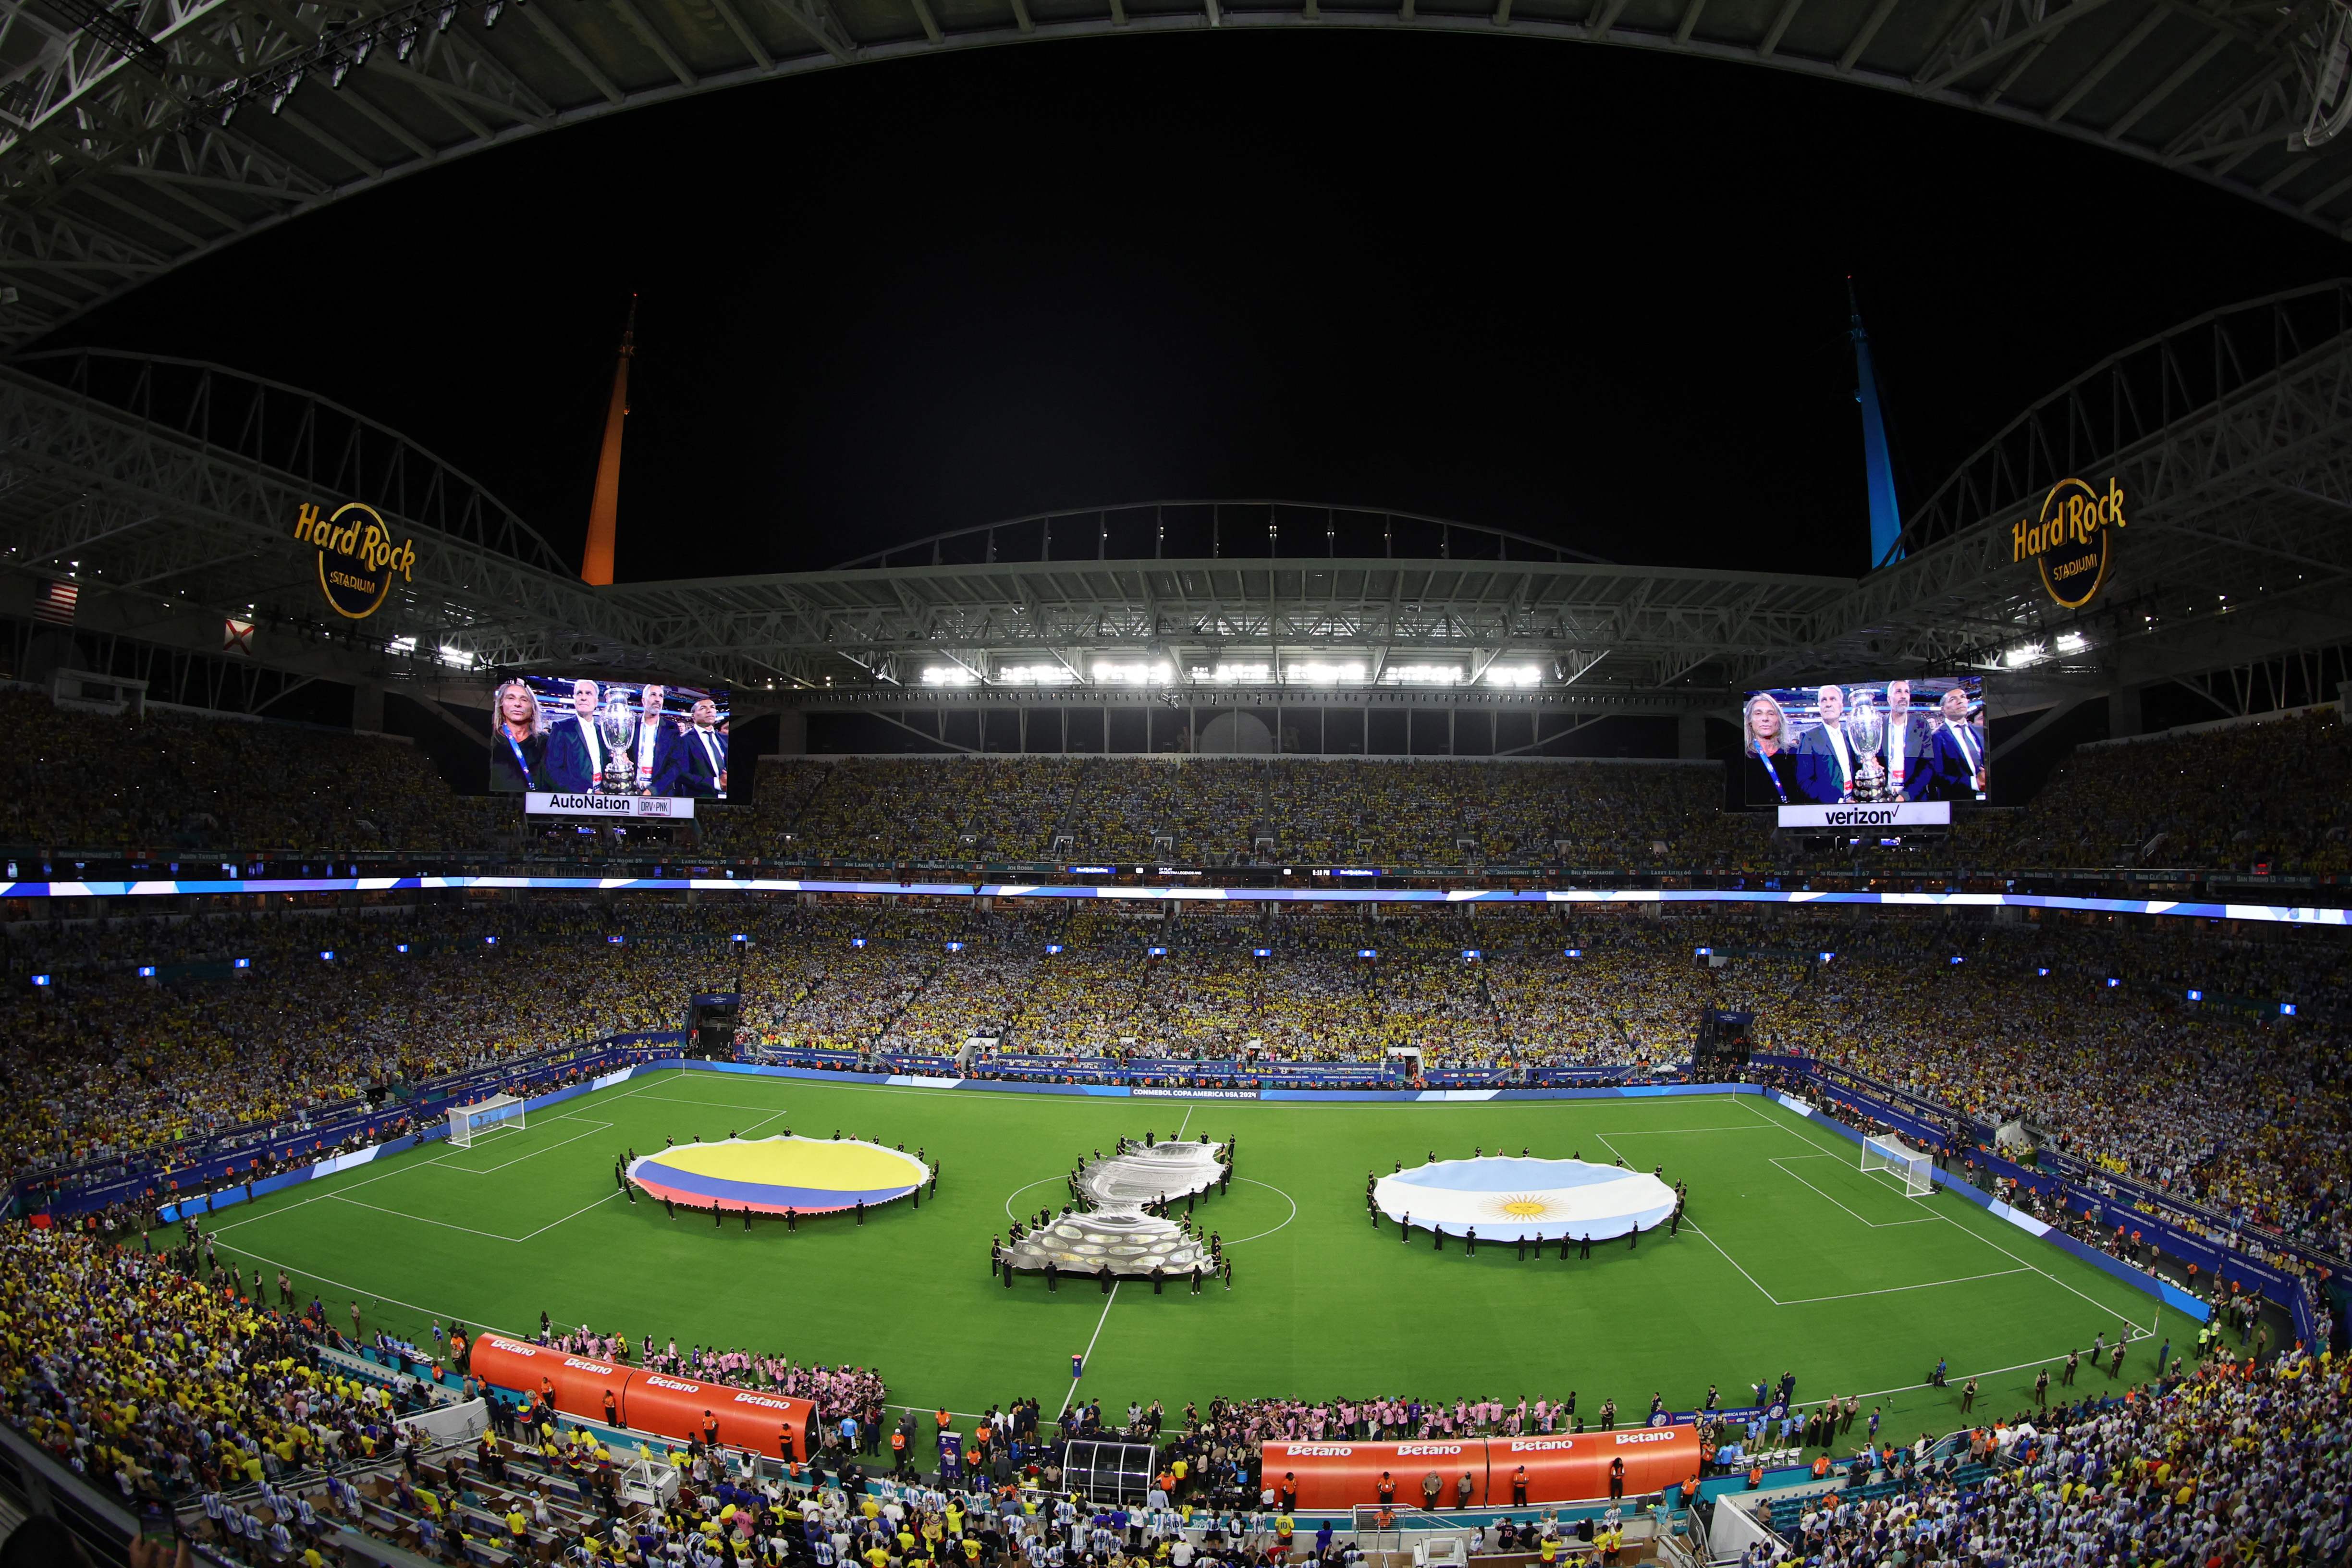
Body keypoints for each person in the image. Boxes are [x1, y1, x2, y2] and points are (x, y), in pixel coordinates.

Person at [1795, 684, 1863, 804]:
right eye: (1824, 700)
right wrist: (1838, 802)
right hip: (1828, 810)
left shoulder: (1849, 736)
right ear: (1820, 707)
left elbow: (1855, 768)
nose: (1828, 704)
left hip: (1853, 805)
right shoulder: (1809, 737)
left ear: (1841, 707)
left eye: (1833, 699)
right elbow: (1804, 782)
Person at [543, 678, 610, 793]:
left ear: (596, 702)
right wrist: (587, 792)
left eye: (588, 694)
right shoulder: (561, 727)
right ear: (575, 699)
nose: (583, 697)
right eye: (579, 693)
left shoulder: (601, 731)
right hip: (575, 800)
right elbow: (552, 770)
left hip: (601, 797)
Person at [1926, 684, 1988, 800]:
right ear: (1943, 709)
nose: (1960, 702)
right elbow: (1935, 776)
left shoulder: (1981, 732)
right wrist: (1974, 783)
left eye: (1963, 697)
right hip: (1958, 802)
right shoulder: (1936, 738)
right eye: (1953, 699)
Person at [488, 678, 550, 792]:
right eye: (511, 698)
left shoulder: (547, 743)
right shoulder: (491, 739)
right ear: (501, 704)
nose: (517, 704)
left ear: (532, 707)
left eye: (524, 700)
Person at [1741, 691, 1801, 807]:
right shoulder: (1743, 756)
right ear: (1749, 721)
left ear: (1779, 720)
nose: (1765, 719)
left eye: (1771, 714)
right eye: (1758, 713)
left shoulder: (1796, 752)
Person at [1882, 679, 1935, 800]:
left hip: (1915, 797)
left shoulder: (1922, 725)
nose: (1904, 696)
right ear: (1889, 699)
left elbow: (1928, 766)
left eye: (1907, 692)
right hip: (1885, 798)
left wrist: (1906, 795)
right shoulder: (1879, 726)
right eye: (1899, 692)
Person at [677, 695, 728, 796]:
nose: (710, 711)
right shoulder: (683, 741)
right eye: (703, 708)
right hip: (701, 798)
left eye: (712, 707)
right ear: (693, 716)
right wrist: (717, 783)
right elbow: (682, 775)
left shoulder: (724, 738)